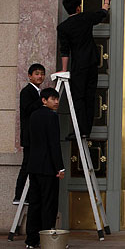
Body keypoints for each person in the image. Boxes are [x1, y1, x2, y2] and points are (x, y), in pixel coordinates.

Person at [57, 0, 110, 138]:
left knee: (78, 98)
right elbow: (102, 13)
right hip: (92, 62)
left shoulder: (63, 27)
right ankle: (86, 130)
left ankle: (80, 130)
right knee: (89, 96)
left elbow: (65, 50)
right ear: (78, 8)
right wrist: (106, 0)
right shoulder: (85, 18)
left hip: (78, 65)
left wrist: (64, 69)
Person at [25, 88, 65, 249]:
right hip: (48, 168)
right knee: (49, 205)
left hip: (34, 167)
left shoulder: (33, 115)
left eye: (57, 99)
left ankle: (31, 240)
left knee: (34, 204)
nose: (56, 102)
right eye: (52, 99)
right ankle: (47, 240)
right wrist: (60, 168)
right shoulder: (52, 117)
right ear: (44, 100)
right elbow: (54, 144)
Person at [13, 63, 45, 205]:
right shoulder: (27, 91)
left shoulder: (37, 91)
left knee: (33, 165)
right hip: (30, 136)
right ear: (30, 76)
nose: (40, 76)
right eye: (37, 74)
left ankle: (29, 194)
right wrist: (42, 101)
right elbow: (28, 109)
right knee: (27, 165)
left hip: (35, 136)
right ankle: (19, 195)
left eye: (42, 74)